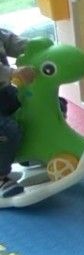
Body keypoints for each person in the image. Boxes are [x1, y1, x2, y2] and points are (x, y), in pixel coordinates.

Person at [1, 29, 34, 198]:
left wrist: (39, 48)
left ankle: (32, 151)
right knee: (6, 130)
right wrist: (12, 72)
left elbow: (15, 42)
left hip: (4, 92)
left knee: (35, 107)